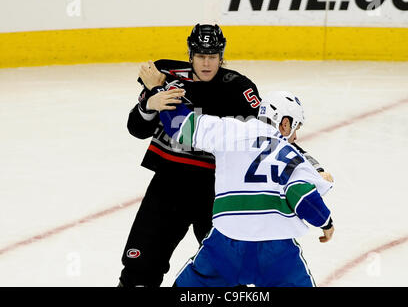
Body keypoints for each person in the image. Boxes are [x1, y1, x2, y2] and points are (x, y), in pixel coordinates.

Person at [120, 23, 332, 287]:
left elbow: (269, 136)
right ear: (190, 55)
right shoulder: (167, 74)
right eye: (200, 56)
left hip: (216, 191)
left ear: (221, 56)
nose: (207, 63)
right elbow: (136, 128)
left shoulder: (239, 89)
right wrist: (149, 102)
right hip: (167, 186)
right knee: (139, 267)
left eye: (213, 57)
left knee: (228, 276)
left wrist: (313, 166)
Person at [159, 90, 334, 287]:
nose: (295, 136)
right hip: (276, 250)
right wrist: (326, 224)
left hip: (227, 243)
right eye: (295, 128)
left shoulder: (229, 131)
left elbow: (181, 126)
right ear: (285, 123)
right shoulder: (290, 154)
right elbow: (303, 197)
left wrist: (159, 92)